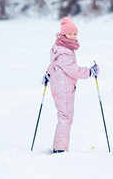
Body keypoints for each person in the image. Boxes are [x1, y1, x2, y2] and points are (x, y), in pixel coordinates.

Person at [42, 17, 99, 153]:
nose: (73, 36)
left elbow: (54, 65)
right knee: (65, 117)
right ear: (63, 34)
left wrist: (48, 74)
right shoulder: (65, 52)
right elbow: (74, 71)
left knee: (63, 116)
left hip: (59, 86)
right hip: (64, 87)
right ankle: (60, 149)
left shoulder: (59, 48)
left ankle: (59, 147)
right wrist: (90, 72)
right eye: (70, 34)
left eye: (75, 34)